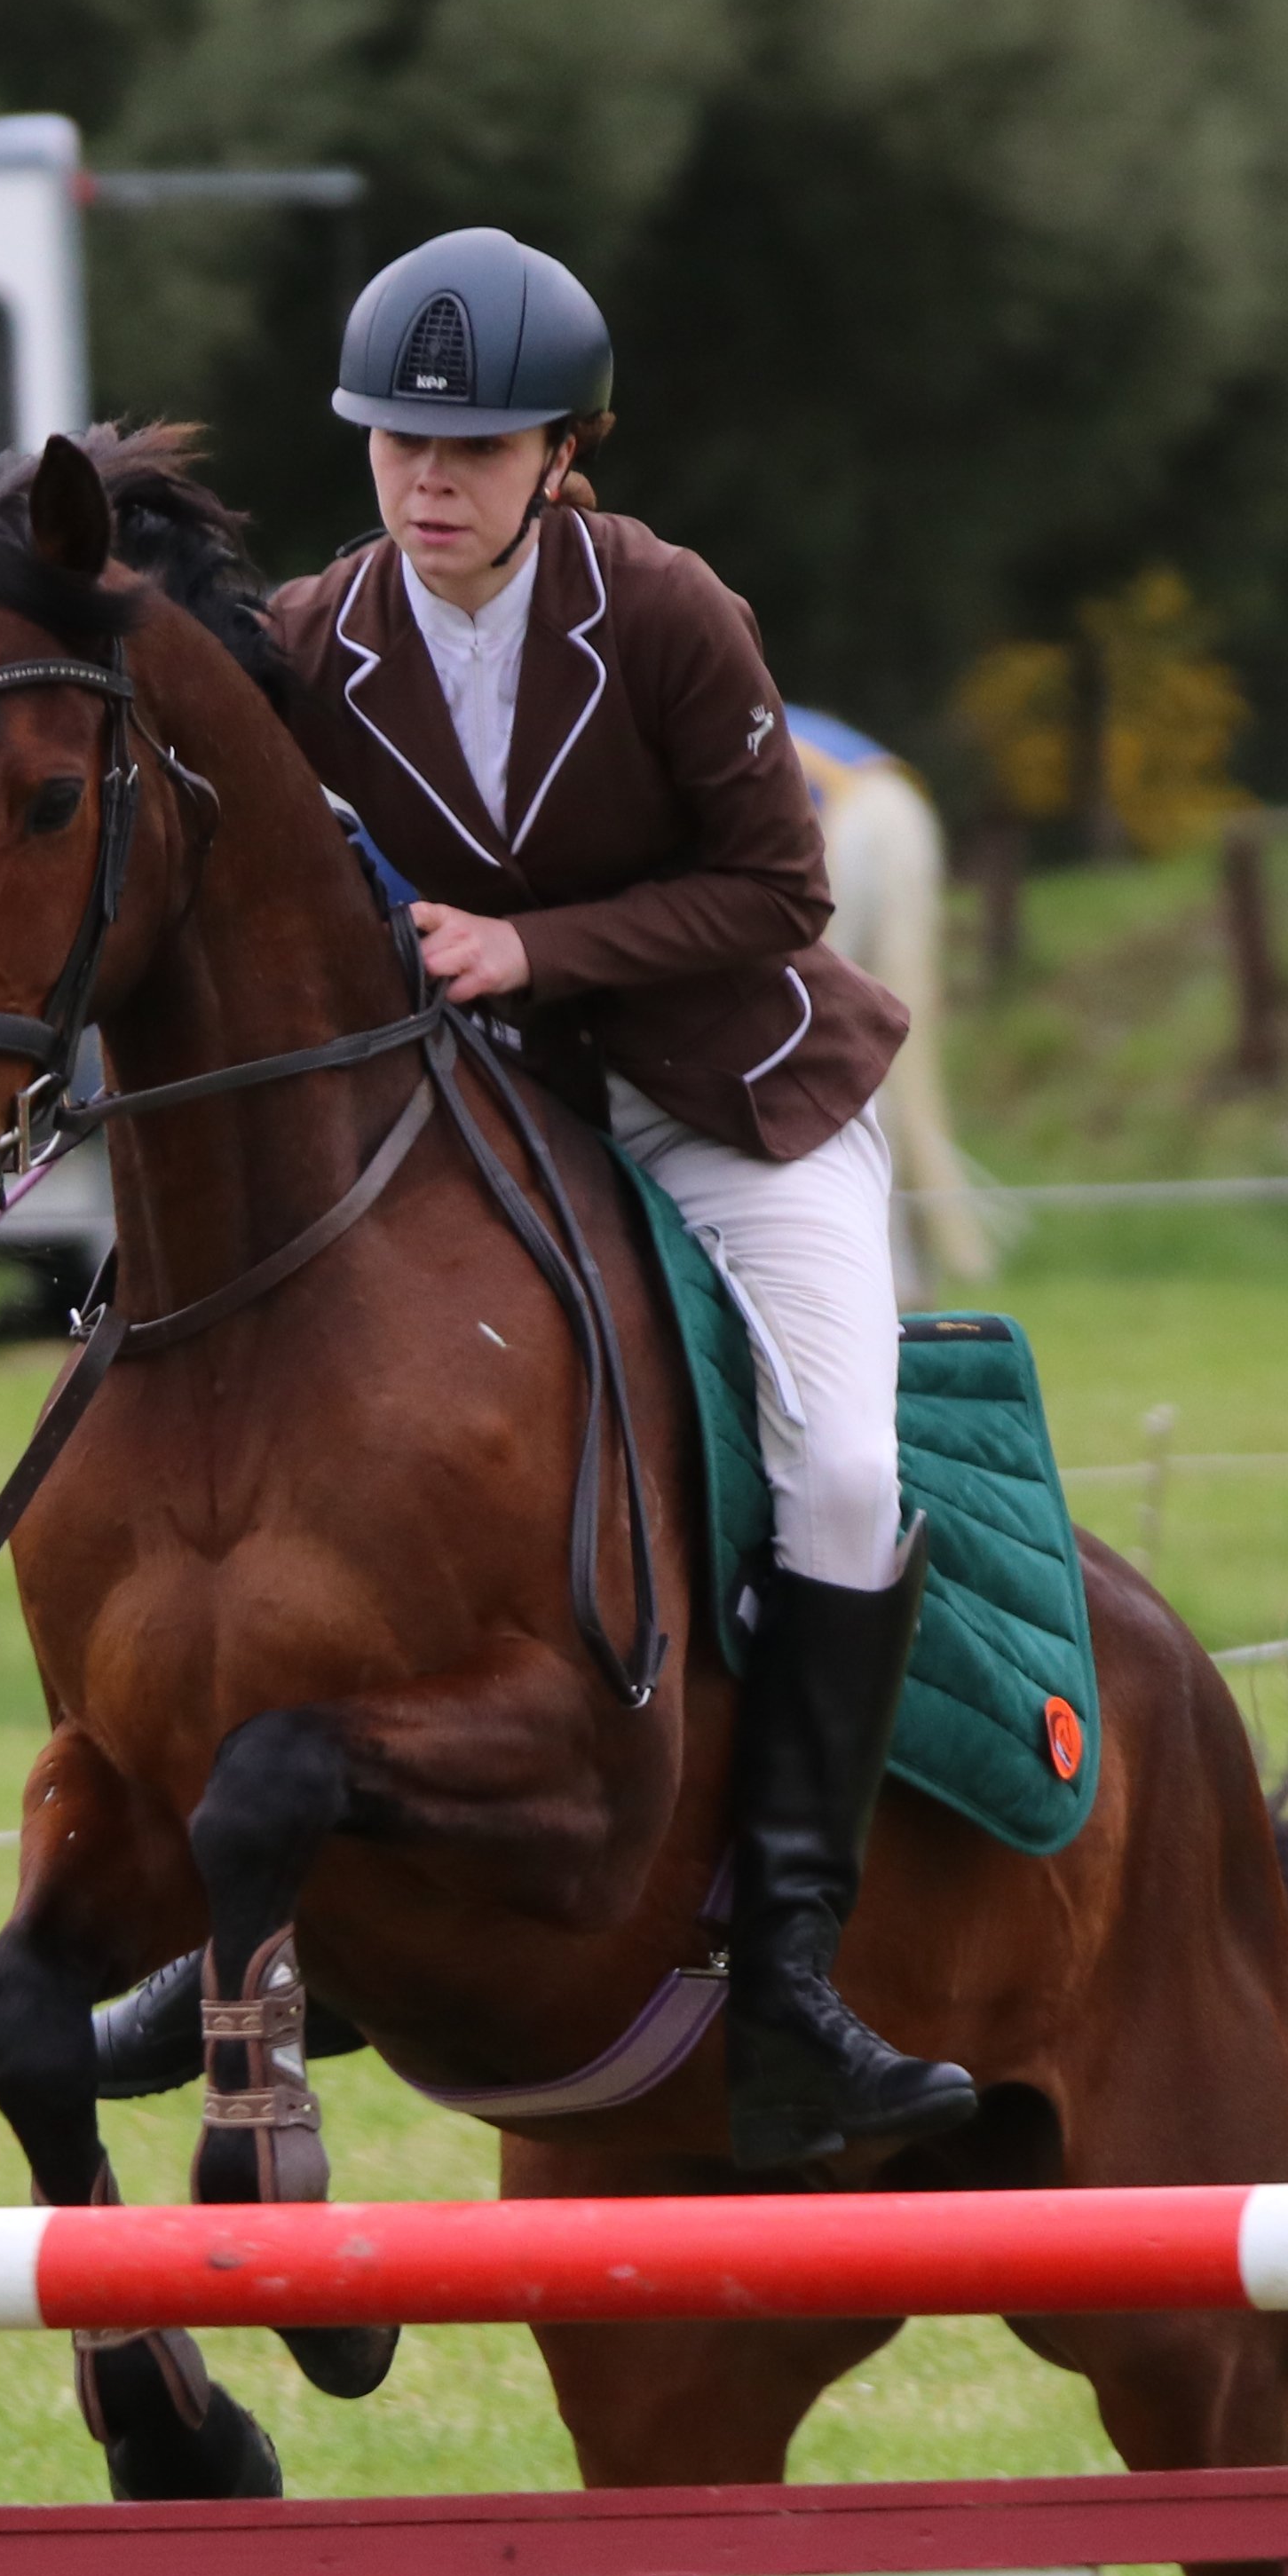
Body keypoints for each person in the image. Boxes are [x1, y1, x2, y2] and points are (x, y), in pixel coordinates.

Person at [265, 227, 970, 2170]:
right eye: (398, 444)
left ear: (562, 450)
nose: (429, 481)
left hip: (726, 1094)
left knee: (836, 1469)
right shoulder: (323, 631)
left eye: (474, 448)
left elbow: (778, 897)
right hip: (491, 1126)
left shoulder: (664, 611)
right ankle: (270, 1930)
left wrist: (533, 944)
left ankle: (802, 1974)